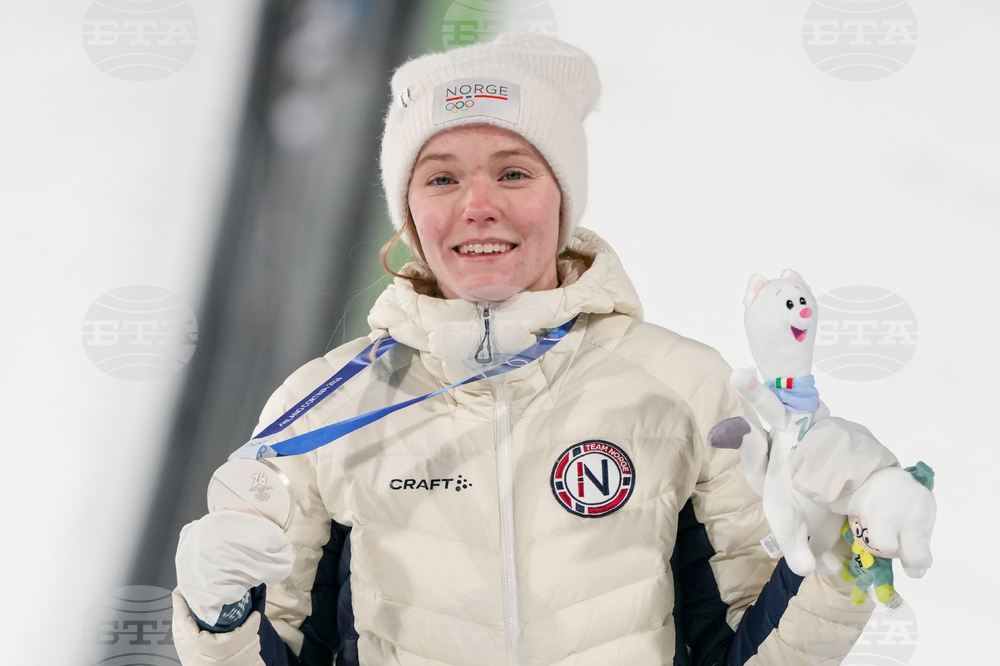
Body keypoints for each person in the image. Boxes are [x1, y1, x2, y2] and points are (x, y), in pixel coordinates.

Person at [171, 33, 931, 665]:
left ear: (563, 198)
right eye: (441, 178)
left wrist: (841, 556)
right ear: (407, 214)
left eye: (513, 172)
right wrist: (220, 616)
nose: (478, 206)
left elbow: (745, 653)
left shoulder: (682, 387)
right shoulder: (324, 409)